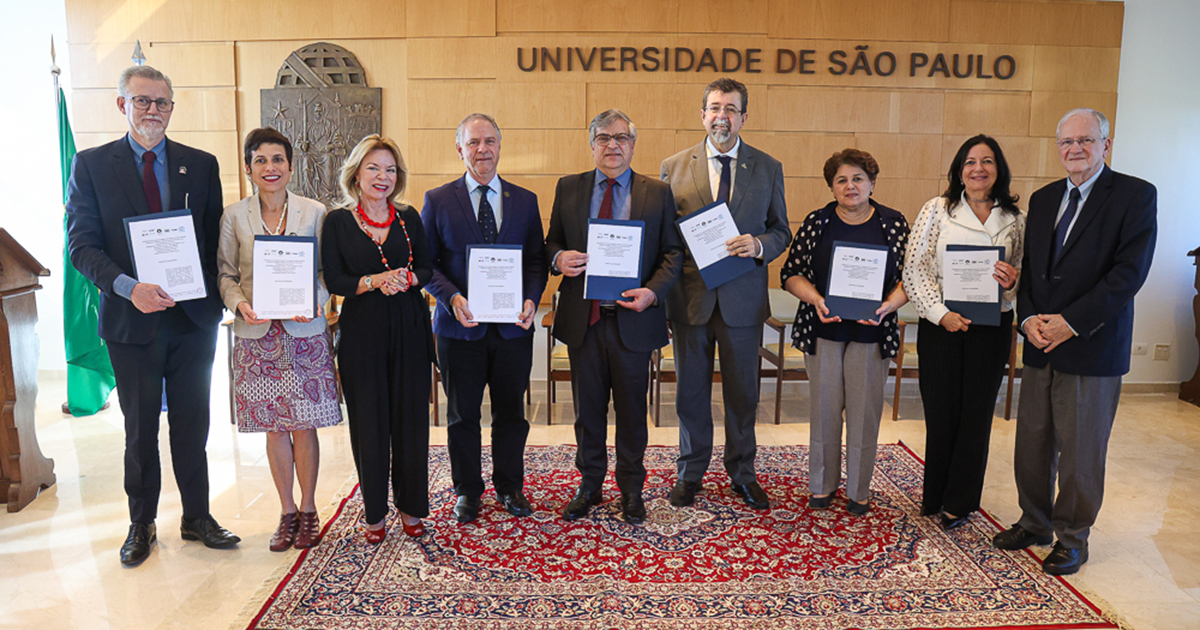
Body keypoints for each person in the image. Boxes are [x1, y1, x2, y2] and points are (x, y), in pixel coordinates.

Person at [66, 65, 239, 566]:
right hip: (131, 320)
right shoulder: (92, 165)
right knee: (140, 428)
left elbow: (212, 245)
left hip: (191, 321)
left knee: (193, 424)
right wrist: (129, 287)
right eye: (142, 101)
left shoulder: (200, 164)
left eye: (162, 102)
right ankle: (141, 524)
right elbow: (82, 247)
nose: (153, 111)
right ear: (122, 105)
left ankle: (197, 516)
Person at [992, 109, 1156, 575]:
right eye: (1066, 142)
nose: (1074, 149)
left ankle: (1072, 537)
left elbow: (1127, 275)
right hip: (1040, 341)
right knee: (1033, 443)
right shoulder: (1043, 200)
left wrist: (1071, 322)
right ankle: (1034, 521)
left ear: (1106, 143)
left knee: (1082, 451)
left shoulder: (1135, 195)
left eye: (1085, 140)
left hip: (1091, 344)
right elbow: (1029, 272)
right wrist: (1026, 321)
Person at [546, 109, 683, 525]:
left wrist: (652, 293)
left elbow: (673, 254)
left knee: (630, 411)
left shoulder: (656, 193)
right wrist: (558, 258)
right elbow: (550, 241)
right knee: (588, 412)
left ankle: (631, 489)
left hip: (633, 320)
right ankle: (589, 486)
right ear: (592, 145)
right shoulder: (568, 188)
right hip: (584, 321)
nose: (613, 145)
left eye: (621, 137)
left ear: (633, 144)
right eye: (604, 137)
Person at [660, 77, 790, 510]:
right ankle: (690, 472)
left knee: (742, 394)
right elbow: (665, 238)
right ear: (702, 114)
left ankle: (742, 473)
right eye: (715, 108)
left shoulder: (768, 167)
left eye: (731, 109)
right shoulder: (674, 166)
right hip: (691, 300)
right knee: (690, 393)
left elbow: (781, 231)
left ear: (744, 116)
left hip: (742, 301)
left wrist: (758, 246)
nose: (722, 116)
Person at [217, 128, 342, 551]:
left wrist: (315, 299)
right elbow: (225, 274)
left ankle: (309, 510)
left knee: (304, 426)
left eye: (277, 160)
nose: (270, 168)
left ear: (290, 166)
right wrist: (239, 305)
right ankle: (286, 512)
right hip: (257, 335)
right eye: (260, 161)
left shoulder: (315, 212)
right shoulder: (234, 216)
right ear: (249, 169)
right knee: (274, 429)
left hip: (304, 333)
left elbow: (328, 272)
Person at [421, 114, 547, 524]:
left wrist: (531, 299)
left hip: (512, 329)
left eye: (490, 141)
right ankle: (468, 490)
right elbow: (426, 264)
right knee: (462, 415)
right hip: (460, 330)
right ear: (460, 149)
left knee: (511, 413)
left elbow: (535, 262)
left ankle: (510, 487)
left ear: (500, 146)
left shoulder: (524, 200)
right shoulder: (438, 199)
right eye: (474, 142)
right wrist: (452, 297)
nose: (483, 150)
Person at [903, 135, 1025, 531]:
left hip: (992, 328)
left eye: (987, 161)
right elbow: (915, 268)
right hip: (943, 327)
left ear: (998, 169)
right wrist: (941, 314)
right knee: (942, 413)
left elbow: (1023, 274)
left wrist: (1012, 282)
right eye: (970, 161)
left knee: (976, 414)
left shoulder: (1015, 218)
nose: (978, 169)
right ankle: (936, 494)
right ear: (958, 169)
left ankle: (960, 501)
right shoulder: (937, 210)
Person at [780, 149, 909, 515]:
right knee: (824, 411)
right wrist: (817, 299)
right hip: (823, 330)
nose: (850, 186)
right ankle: (821, 486)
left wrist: (887, 306)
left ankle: (859, 490)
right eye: (841, 180)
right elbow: (790, 273)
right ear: (831, 187)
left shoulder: (893, 223)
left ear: (872, 183)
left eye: (857, 179)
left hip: (872, 333)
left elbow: (910, 278)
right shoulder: (818, 222)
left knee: (864, 413)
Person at [321, 134, 436, 543]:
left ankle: (411, 508)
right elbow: (334, 278)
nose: (382, 177)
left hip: (409, 327)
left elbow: (427, 266)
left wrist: (410, 277)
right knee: (369, 425)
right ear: (356, 173)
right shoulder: (336, 222)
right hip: (361, 332)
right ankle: (374, 513)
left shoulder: (409, 217)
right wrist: (373, 281)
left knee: (410, 423)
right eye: (373, 168)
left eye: (390, 169)